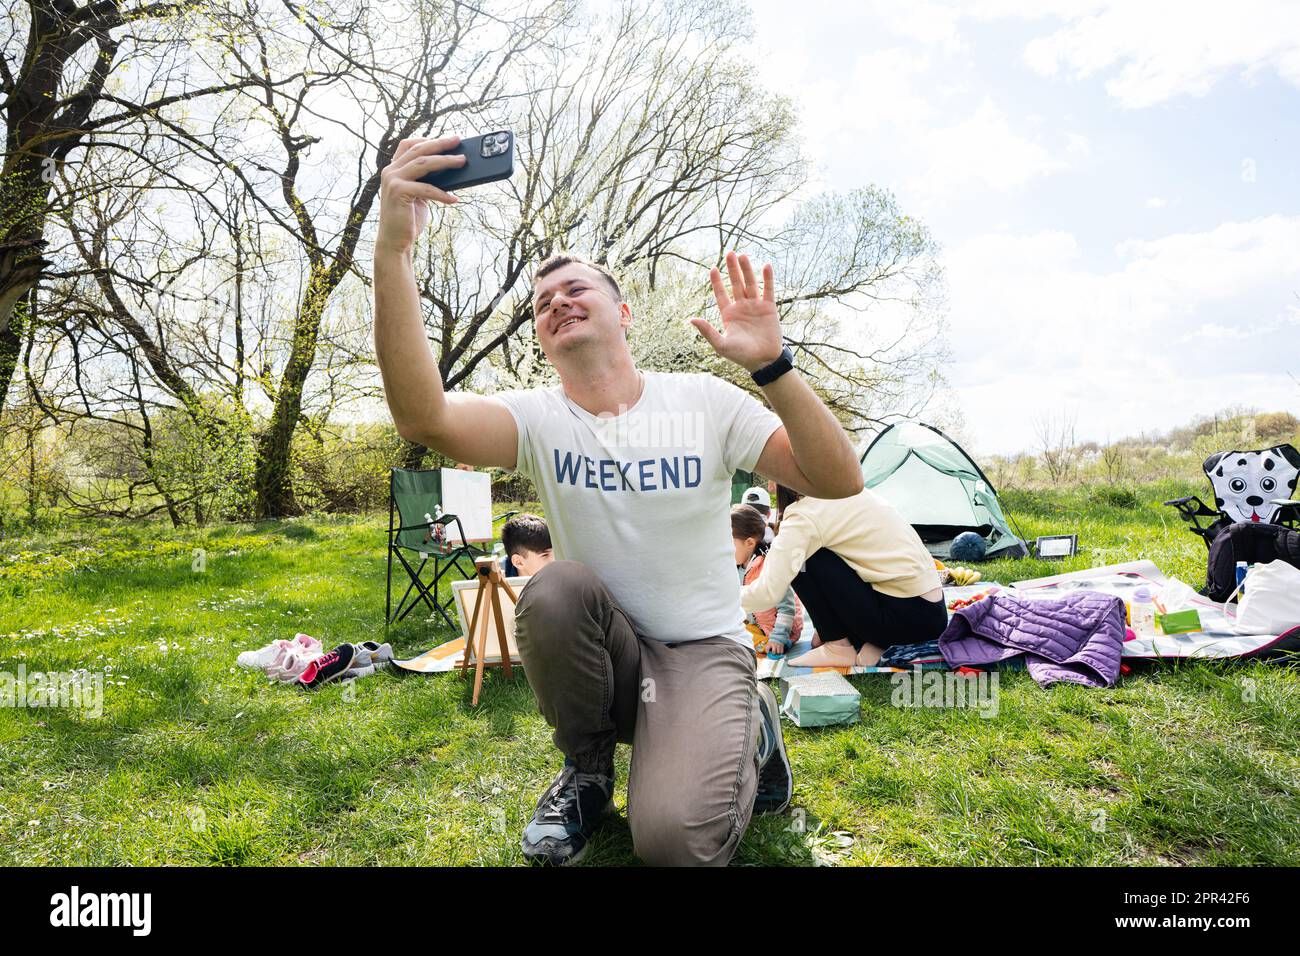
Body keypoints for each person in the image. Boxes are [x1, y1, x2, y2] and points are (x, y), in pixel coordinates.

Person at [372, 134, 863, 866]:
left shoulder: (703, 401)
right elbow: (424, 418)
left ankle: (752, 738)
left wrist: (773, 366)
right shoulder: (537, 418)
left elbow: (836, 478)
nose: (557, 302)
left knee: (669, 845)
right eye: (542, 302)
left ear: (624, 312)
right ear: (541, 337)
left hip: (702, 650)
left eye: (576, 289)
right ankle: (588, 773)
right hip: (615, 653)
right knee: (553, 588)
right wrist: (392, 254)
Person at [741, 485, 947, 668]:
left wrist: (718, 598)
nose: (768, 483)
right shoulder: (847, 490)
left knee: (803, 558)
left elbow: (768, 592)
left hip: (901, 621)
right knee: (816, 551)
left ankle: (838, 647)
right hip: (933, 616)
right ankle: (864, 643)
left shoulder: (804, 514)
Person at [732, 504, 802, 657]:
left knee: (737, 640)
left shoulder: (769, 566)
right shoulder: (736, 566)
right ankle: (755, 642)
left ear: (749, 543)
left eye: (730, 544)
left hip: (781, 628)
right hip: (756, 626)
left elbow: (787, 606)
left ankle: (774, 644)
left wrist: (778, 637)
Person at [501, 513, 554, 577]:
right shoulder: (495, 583)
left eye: (556, 553)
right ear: (518, 562)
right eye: (545, 555)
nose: (555, 560)